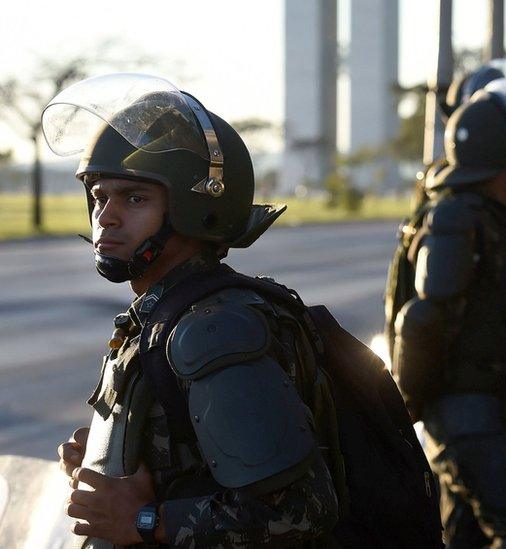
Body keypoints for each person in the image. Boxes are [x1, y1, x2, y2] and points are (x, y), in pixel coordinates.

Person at [47, 74, 341, 548]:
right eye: (100, 196)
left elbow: (299, 510)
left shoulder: (214, 330)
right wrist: (115, 457)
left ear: (196, 207)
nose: (106, 215)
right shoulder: (162, 315)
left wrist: (144, 521)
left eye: (134, 197)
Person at [389, 80, 506, 547]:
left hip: (489, 407)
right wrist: (408, 406)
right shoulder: (458, 217)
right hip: (470, 414)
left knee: (465, 536)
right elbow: (424, 318)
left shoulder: (487, 214)